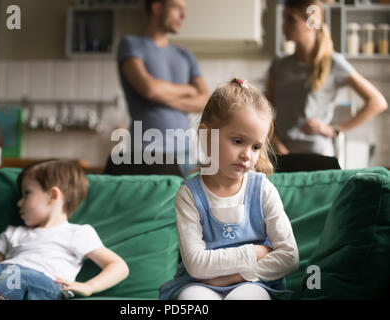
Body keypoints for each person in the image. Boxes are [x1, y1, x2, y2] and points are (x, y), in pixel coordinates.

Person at [159, 79, 299, 300]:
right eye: (237, 141)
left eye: (255, 146)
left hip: (255, 282)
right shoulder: (189, 195)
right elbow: (196, 265)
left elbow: (289, 256)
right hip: (198, 284)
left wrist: (233, 277)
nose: (247, 154)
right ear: (206, 136)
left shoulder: (263, 190)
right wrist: (254, 252)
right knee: (192, 300)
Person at [0, 160, 129, 300]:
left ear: (53, 196)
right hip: (5, 274)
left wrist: (89, 287)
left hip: (42, 283)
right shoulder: (14, 232)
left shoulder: (78, 233)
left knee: (19, 275)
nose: (18, 202)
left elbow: (118, 266)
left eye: (26, 194)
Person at [267, 0, 388, 157]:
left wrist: (334, 130)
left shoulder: (334, 63)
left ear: (312, 22)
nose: (284, 26)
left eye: (291, 19)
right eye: (284, 19)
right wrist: (274, 141)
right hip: (280, 155)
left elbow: (377, 102)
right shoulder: (279, 65)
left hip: (317, 154)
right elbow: (265, 111)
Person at [116, 0, 209, 177]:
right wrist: (188, 89)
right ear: (157, 7)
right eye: (177, 8)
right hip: (147, 152)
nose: (183, 16)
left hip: (186, 153)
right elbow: (149, 88)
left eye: (184, 10)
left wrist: (162, 96)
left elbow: (205, 100)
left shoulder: (185, 54)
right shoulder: (131, 45)